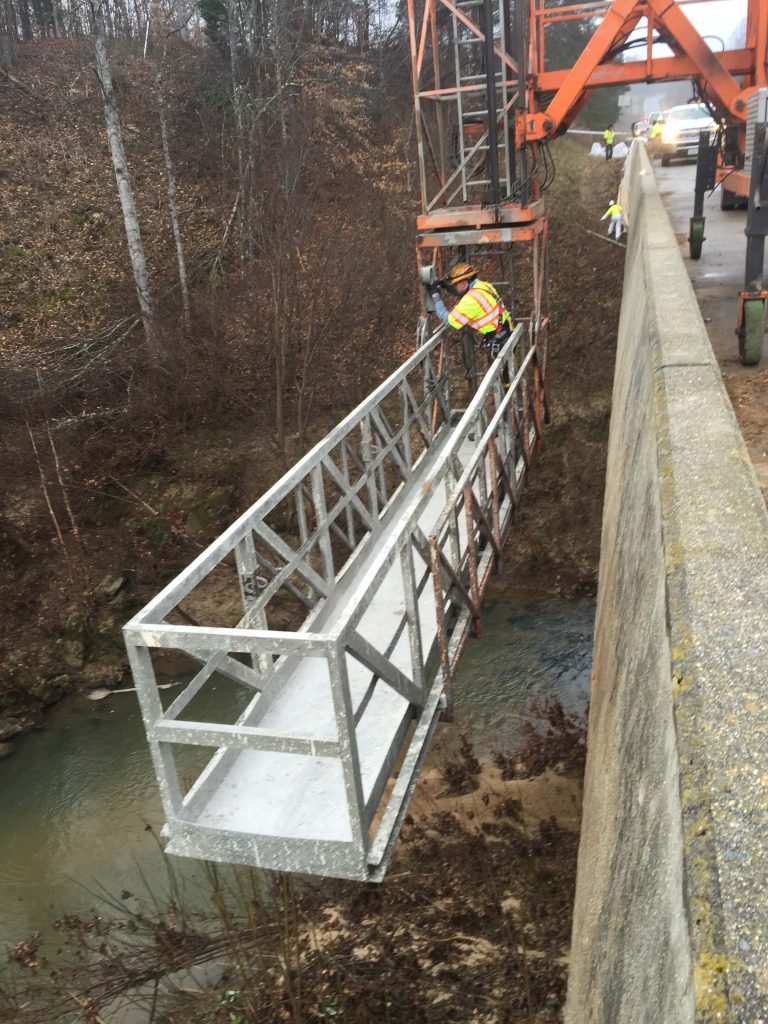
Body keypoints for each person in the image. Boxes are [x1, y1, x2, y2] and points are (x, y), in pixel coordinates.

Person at [428, 263, 514, 357]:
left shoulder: (471, 300)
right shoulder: (483, 285)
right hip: (508, 330)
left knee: (505, 371)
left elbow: (448, 320)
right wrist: (446, 287)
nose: (454, 287)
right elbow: (462, 292)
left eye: (455, 284)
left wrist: (435, 295)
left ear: (464, 283)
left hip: (501, 344)